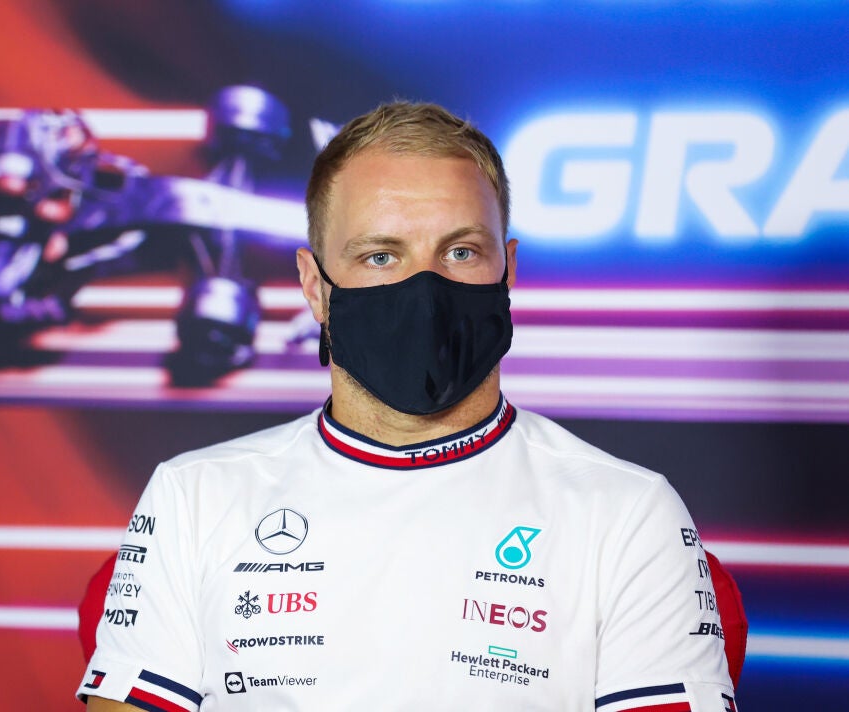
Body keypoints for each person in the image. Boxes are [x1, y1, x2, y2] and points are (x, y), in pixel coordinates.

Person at [79, 102, 736, 711]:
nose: (425, 289)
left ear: (507, 270)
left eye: (460, 251)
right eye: (380, 256)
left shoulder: (628, 514)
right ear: (314, 286)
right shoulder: (193, 497)